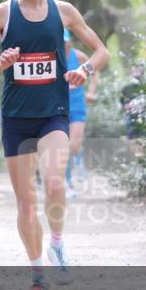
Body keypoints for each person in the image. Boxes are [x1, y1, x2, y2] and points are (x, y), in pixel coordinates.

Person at [0, 0, 109, 290]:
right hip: (15, 119)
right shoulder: (2, 14)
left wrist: (84, 69)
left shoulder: (63, 11)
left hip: (53, 114)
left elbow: (101, 50)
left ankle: (58, 242)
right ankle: (36, 277)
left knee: (52, 180)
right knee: (26, 203)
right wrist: (1, 64)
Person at [64, 28, 99, 195]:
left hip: (77, 105)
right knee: (63, 148)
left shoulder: (79, 56)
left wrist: (91, 91)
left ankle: (79, 158)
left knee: (73, 145)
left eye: (65, 41)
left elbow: (95, 71)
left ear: (70, 41)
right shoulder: (52, 58)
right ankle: (68, 185)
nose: (63, 45)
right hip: (58, 108)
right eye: (60, 42)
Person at [120, 64, 144, 156]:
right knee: (131, 137)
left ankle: (142, 157)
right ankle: (136, 157)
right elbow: (122, 101)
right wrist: (126, 106)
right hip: (130, 115)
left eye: (139, 70)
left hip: (143, 115)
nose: (137, 72)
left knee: (143, 137)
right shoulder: (127, 87)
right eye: (135, 70)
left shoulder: (145, 85)